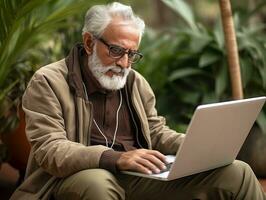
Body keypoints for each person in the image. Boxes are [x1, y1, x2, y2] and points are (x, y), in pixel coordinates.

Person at [10, 2, 266, 200]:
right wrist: (115, 158)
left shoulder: (134, 82)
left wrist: (197, 146)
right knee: (99, 182)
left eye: (132, 54)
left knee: (237, 172)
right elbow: (49, 150)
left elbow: (155, 131)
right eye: (116, 51)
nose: (124, 63)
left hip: (137, 176)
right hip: (72, 178)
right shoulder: (48, 81)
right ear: (89, 42)